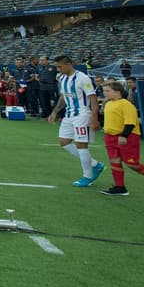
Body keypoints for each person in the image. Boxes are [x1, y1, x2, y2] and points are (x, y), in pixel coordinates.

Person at [98, 81, 144, 197]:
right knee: (115, 161)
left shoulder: (126, 105)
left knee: (132, 164)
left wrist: (124, 135)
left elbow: (130, 122)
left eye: (107, 91)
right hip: (110, 137)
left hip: (127, 137)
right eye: (104, 91)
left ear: (118, 92)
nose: (105, 93)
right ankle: (120, 187)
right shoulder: (109, 103)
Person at [46, 55, 104, 188]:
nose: (58, 69)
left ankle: (87, 176)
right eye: (57, 67)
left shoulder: (83, 78)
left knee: (81, 145)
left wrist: (94, 118)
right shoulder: (62, 78)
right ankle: (95, 165)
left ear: (69, 64)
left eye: (60, 66)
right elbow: (63, 96)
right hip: (69, 114)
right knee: (64, 142)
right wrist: (55, 111)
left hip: (82, 115)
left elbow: (93, 99)